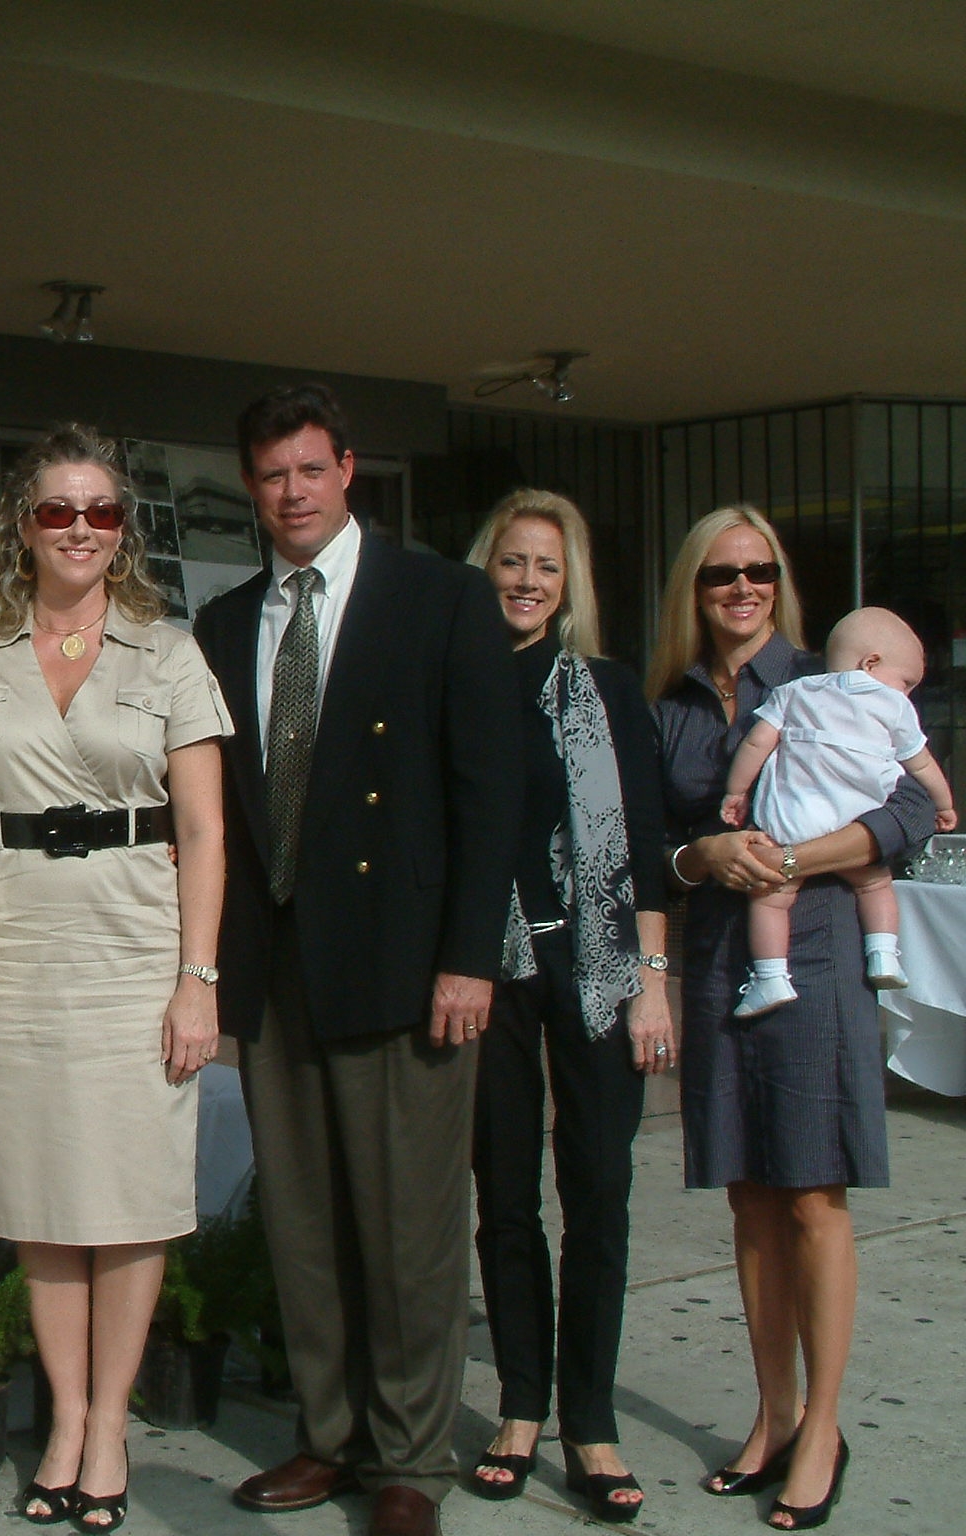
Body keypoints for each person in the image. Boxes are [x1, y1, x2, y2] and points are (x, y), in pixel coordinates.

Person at [191, 383, 520, 1536]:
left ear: (348, 470)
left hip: (404, 964)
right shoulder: (225, 622)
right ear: (249, 485)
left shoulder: (441, 598)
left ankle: (408, 1463)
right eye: (270, 475)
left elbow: (491, 797)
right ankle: (326, 1438)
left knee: (409, 1232)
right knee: (306, 1226)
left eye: (309, 470)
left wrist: (467, 958)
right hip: (278, 970)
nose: (290, 492)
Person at [0, 426, 230, 1535]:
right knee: (39, 1205)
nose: (79, 528)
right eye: (57, 510)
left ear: (123, 535)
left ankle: (109, 1422)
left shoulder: (167, 653)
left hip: (131, 944)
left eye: (100, 512)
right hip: (12, 942)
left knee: (127, 1205)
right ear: (22, 527)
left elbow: (205, 831)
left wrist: (195, 978)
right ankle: (61, 1416)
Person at [649, 505, 933, 1532]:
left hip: (813, 950)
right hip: (722, 956)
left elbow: (908, 810)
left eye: (757, 570)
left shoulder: (836, 677)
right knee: (749, 1201)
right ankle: (769, 1413)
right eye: (720, 572)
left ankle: (821, 1424)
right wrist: (700, 859)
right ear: (693, 586)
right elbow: (653, 847)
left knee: (811, 1193)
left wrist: (796, 859)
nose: (740, 588)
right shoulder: (670, 705)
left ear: (778, 581)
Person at [459, 491, 673, 1523]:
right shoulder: (451, 683)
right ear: (484, 566)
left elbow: (645, 841)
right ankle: (517, 1405)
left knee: (595, 1193)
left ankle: (588, 1418)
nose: (525, 580)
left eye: (545, 566)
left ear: (567, 583)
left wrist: (652, 984)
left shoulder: (605, 691)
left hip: (594, 973)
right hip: (488, 974)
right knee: (502, 1195)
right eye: (510, 560)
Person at [720, 606, 957, 1015]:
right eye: (907, 682)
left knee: (770, 901)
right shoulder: (893, 706)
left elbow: (756, 745)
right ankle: (883, 953)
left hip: (792, 822)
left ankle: (771, 977)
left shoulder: (794, 692)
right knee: (874, 885)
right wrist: (945, 802)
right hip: (854, 821)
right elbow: (920, 764)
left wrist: (735, 792)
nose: (907, 693)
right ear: (871, 663)